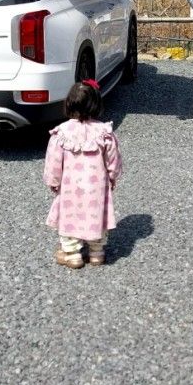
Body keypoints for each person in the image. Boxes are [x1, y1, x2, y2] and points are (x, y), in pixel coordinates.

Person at [43, 78, 123, 269]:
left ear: (69, 104)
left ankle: (72, 254)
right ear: (96, 104)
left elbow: (53, 161)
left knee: (70, 217)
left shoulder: (61, 133)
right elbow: (114, 160)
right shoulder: (104, 132)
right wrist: (112, 177)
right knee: (97, 215)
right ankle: (96, 253)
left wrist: (53, 181)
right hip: (97, 185)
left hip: (70, 186)